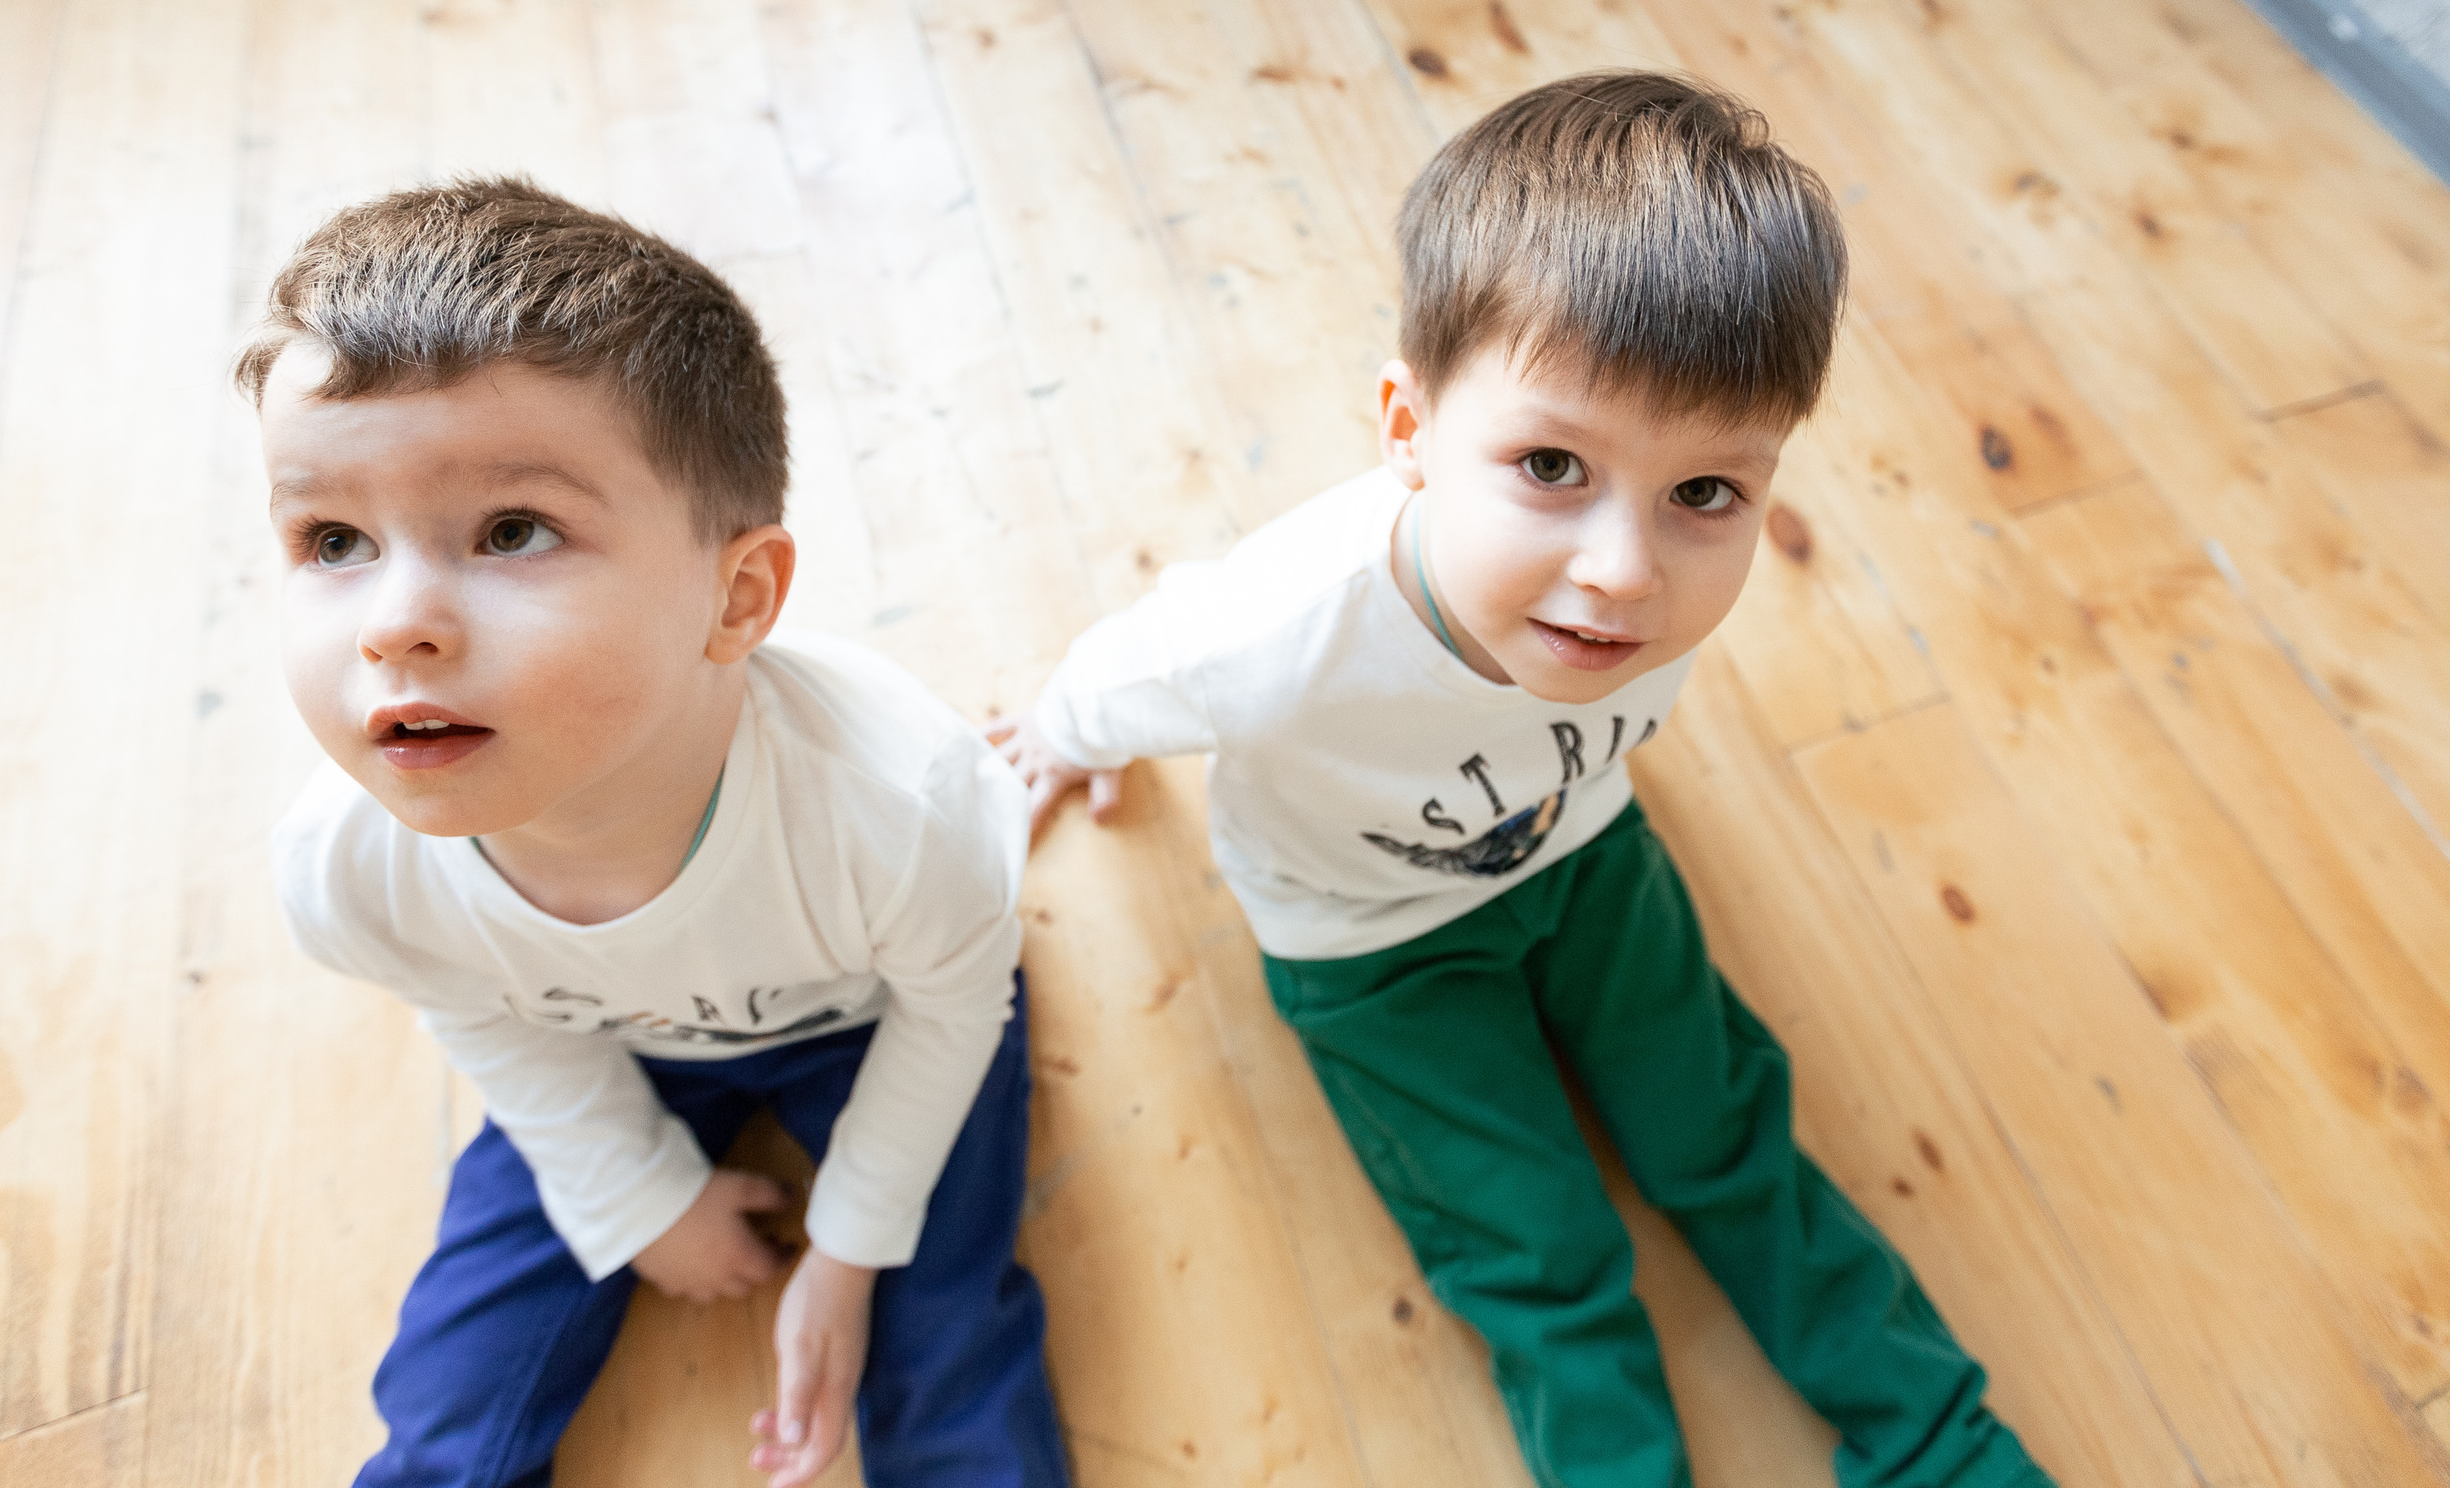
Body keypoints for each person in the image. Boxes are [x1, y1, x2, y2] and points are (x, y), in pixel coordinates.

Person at [991, 73, 2052, 1488]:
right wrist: (1064, 734)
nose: (1623, 572)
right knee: (1534, 1249)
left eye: (1705, 494)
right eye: (1551, 465)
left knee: (1731, 1141)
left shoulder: (1653, 587)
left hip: (1585, 857)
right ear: (1409, 429)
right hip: (1368, 942)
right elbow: (1131, 669)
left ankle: (1947, 1452)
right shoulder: (1276, 630)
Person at [246, 179, 1068, 1488]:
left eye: (511, 531)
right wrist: (639, 1199)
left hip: (873, 1021)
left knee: (946, 1324)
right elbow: (484, 1019)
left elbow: (955, 1008)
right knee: (452, 1393)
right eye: (333, 539)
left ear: (736, 599)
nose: (392, 624)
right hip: (597, 1036)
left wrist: (847, 1253)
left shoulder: (904, 808)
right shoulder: (345, 869)